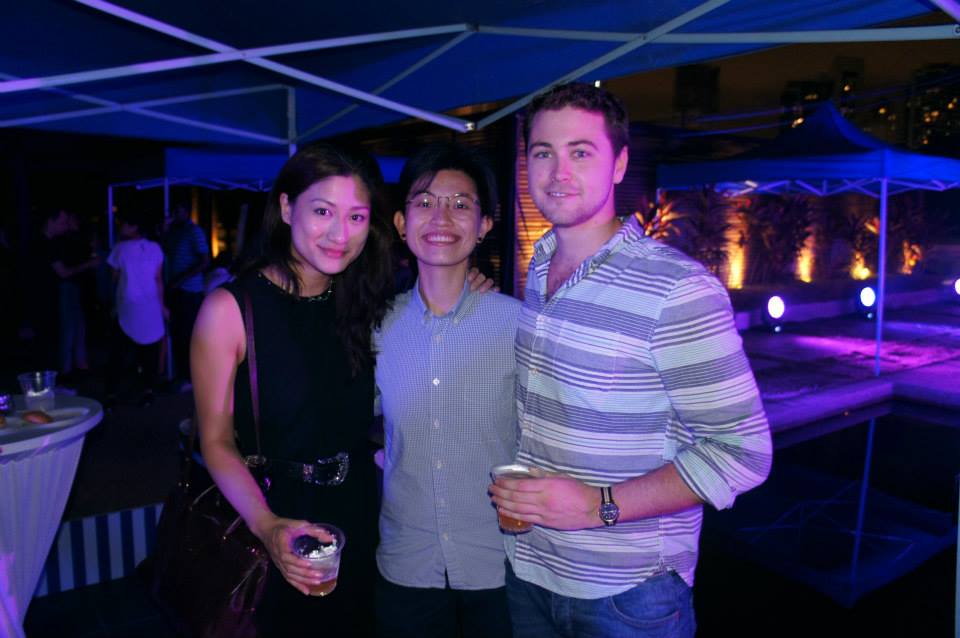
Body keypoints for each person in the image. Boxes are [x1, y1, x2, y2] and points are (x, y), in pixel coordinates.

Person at [489, 83, 773, 638]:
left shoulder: (677, 288)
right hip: (530, 568)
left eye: (581, 152)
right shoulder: (540, 268)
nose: (558, 171)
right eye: (543, 152)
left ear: (619, 164)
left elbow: (743, 452)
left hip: (629, 593)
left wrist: (599, 506)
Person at [191, 142, 394, 636]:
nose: (340, 234)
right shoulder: (229, 310)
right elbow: (215, 441)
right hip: (274, 513)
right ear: (286, 208)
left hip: (358, 512)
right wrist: (267, 526)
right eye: (322, 211)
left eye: (356, 216)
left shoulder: (363, 300)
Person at [374, 143, 520, 638]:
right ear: (401, 222)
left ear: (484, 225)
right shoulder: (377, 327)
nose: (441, 218)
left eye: (460, 204)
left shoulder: (518, 325)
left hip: (499, 562)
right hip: (407, 562)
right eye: (424, 202)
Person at [106, 211, 165, 406]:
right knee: (149, 352)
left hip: (128, 305)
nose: (121, 227)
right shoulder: (155, 248)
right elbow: (158, 279)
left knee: (119, 352)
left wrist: (112, 303)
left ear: (134, 227)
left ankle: (112, 393)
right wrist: (162, 306)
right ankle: (148, 390)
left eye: (124, 224)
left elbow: (113, 279)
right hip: (150, 305)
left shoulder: (120, 248)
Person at [163, 201, 210, 389]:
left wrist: (181, 279)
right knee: (178, 334)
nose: (174, 214)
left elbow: (205, 261)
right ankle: (183, 375)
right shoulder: (175, 232)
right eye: (173, 211)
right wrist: (165, 231)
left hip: (190, 291)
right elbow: (165, 252)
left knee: (187, 335)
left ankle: (190, 378)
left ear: (187, 212)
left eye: (178, 210)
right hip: (176, 290)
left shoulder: (194, 231)